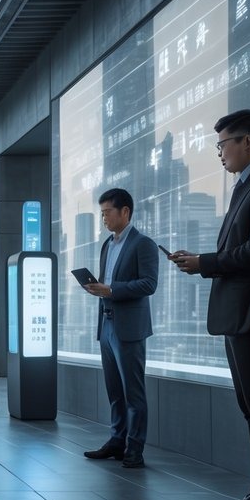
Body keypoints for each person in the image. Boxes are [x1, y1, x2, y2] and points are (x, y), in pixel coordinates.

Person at [169, 109, 250, 500]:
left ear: (246, 142)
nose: (219, 153)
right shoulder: (246, 188)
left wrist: (205, 263)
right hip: (238, 315)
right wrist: (203, 261)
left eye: (222, 144)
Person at [81, 188, 159, 469]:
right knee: (114, 390)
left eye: (107, 212)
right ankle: (117, 440)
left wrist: (111, 289)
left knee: (133, 392)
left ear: (125, 212)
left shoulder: (143, 244)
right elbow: (107, 283)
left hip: (129, 328)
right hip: (107, 324)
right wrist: (99, 289)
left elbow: (149, 284)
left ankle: (135, 448)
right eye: (101, 213)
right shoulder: (107, 244)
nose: (103, 218)